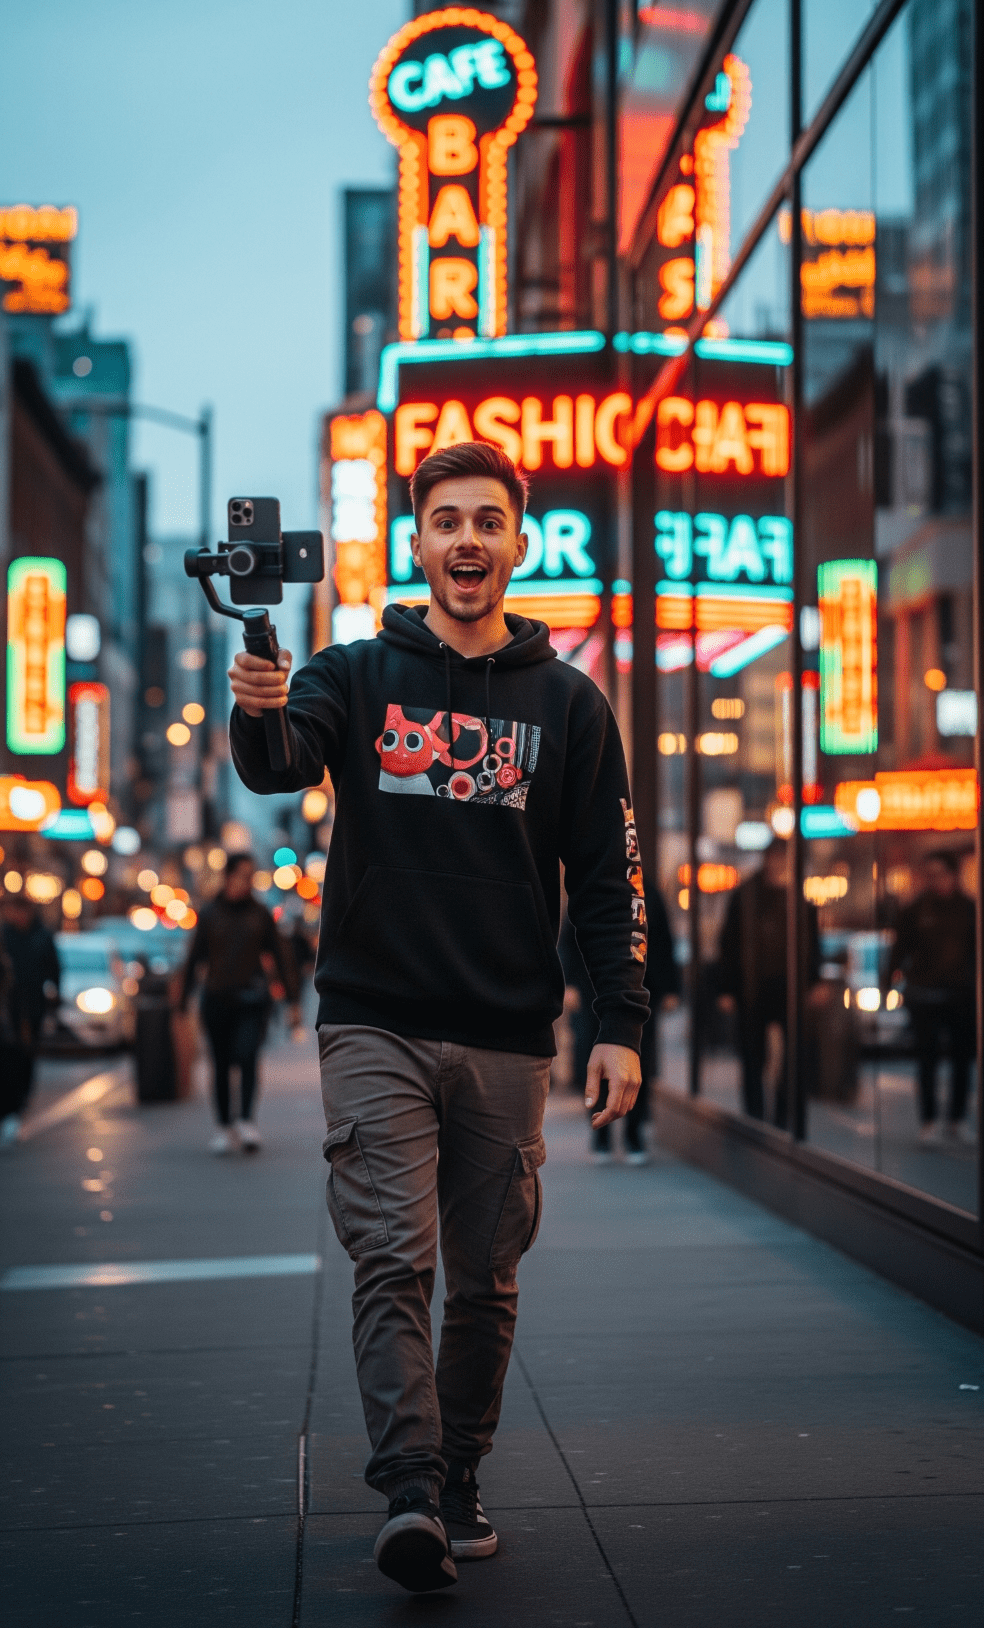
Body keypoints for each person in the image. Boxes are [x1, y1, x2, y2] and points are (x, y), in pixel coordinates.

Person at [228, 441, 648, 1595]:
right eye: (446, 520)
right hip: (374, 1018)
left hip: (509, 1029)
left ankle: (460, 1468)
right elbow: (279, 761)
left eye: (487, 520)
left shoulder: (568, 703)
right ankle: (409, 1487)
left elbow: (608, 873)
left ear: (518, 541)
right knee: (390, 1255)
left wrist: (621, 1016)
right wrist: (257, 701)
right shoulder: (354, 673)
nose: (467, 538)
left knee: (487, 1276)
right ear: (418, 543)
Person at [176, 853, 297, 1152]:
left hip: (252, 998)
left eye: (251, 875)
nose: (248, 881)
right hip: (217, 997)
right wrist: (183, 1000)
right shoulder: (210, 913)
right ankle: (223, 1125)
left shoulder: (260, 914)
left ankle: (245, 1121)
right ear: (228, 876)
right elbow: (194, 958)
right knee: (219, 1064)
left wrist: (293, 1000)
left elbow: (280, 956)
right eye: (243, 874)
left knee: (246, 1056)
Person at [561, 881, 676, 1164]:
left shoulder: (647, 891)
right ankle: (600, 1134)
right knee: (594, 1060)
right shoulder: (591, 884)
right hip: (593, 989)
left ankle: (634, 1133)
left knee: (639, 1061)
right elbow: (570, 936)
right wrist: (571, 983)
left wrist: (669, 987)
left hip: (640, 990)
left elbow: (661, 941)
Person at [716, 836, 820, 1126]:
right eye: (775, 857)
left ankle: (784, 1115)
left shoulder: (797, 895)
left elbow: (811, 941)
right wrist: (726, 988)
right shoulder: (746, 896)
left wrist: (814, 979)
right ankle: (755, 1114)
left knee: (793, 1056)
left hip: (788, 986)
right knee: (753, 1055)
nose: (779, 864)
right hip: (753, 986)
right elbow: (728, 943)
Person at [890, 850, 976, 1145]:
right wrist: (889, 980)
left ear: (953, 875)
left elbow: (978, 952)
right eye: (931, 874)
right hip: (925, 995)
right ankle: (928, 1121)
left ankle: (957, 1119)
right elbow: (899, 948)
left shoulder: (968, 908)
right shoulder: (915, 909)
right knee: (927, 1060)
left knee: (962, 1059)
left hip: (960, 994)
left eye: (940, 873)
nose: (935, 880)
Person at [0, 893, 60, 1145]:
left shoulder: (41, 935)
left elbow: (54, 968)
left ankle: (20, 1098)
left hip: (32, 1004)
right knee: (10, 1054)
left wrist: (53, 997)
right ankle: (12, 1104)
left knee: (26, 1051)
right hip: (9, 1007)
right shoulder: (5, 936)